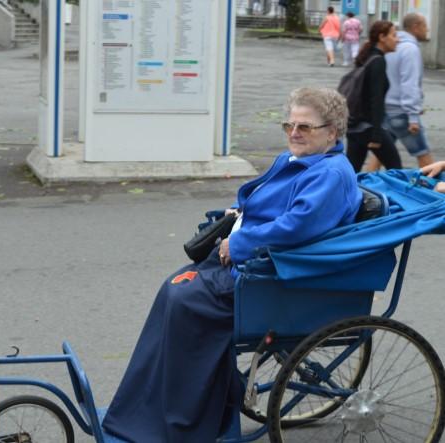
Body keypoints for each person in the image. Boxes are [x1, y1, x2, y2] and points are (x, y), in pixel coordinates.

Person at [102, 87, 362, 443]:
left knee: (183, 301)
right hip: (252, 262)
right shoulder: (301, 159)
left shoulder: (329, 174)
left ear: (332, 132)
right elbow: (269, 206)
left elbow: (297, 227)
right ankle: (147, 409)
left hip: (271, 274)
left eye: (305, 126)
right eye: (289, 125)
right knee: (173, 290)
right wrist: (240, 217)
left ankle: (184, 423)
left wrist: (240, 241)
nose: (294, 133)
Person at [368, 13, 434, 171]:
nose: (427, 29)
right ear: (415, 27)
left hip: (386, 110)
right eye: (425, 25)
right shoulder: (410, 49)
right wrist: (413, 115)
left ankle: (364, 188)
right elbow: (409, 83)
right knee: (423, 155)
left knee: (380, 155)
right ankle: (435, 192)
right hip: (402, 112)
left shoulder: (392, 46)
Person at [346, 20, 403, 173]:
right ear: (382, 37)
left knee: (352, 174)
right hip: (369, 128)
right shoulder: (378, 61)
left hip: (355, 128)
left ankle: (346, 197)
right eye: (394, 35)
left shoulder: (367, 58)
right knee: (396, 170)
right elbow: (376, 100)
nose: (398, 39)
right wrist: (376, 135)